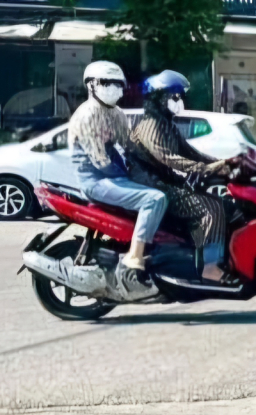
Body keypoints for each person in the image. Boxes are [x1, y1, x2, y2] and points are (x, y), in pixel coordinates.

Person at [129, 71, 234, 282]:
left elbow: (190, 152)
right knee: (211, 209)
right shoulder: (151, 125)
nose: (180, 102)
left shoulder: (166, 123)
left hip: (164, 182)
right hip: (156, 186)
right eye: (175, 97)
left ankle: (199, 255)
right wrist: (207, 169)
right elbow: (170, 159)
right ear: (160, 98)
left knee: (220, 201)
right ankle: (210, 268)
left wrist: (223, 163)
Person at [66, 61, 166, 274]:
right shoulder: (87, 115)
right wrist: (131, 176)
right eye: (106, 83)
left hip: (114, 177)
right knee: (154, 199)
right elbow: (100, 162)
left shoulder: (116, 114)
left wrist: (157, 164)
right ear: (91, 86)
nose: (114, 89)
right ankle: (135, 255)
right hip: (96, 181)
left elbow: (130, 146)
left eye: (119, 84)